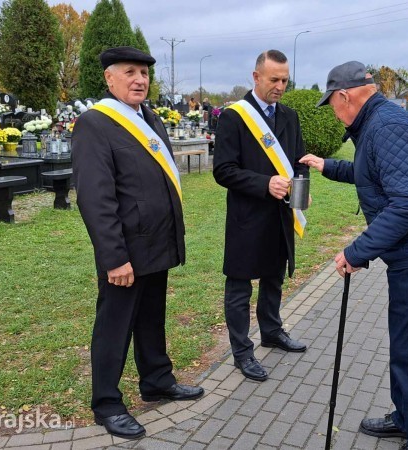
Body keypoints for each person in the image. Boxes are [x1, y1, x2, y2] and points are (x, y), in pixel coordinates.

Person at [300, 61, 408, 450]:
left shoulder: (387, 126)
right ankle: (407, 416)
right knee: (407, 343)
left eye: (332, 105)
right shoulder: (379, 123)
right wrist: (327, 166)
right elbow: (373, 171)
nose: (334, 113)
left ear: (345, 96)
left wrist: (357, 252)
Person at [72, 46, 204, 440]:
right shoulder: (95, 124)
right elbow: (95, 199)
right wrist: (114, 258)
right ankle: (107, 403)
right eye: (129, 72)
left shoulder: (148, 118)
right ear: (109, 79)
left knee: (151, 318)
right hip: (125, 252)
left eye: (144, 73)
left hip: (156, 243)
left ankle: (157, 380)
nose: (139, 79)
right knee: (115, 327)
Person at [213, 49, 309, 382]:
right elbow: (223, 171)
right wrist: (264, 183)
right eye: (274, 80)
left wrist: (300, 194)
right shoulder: (234, 116)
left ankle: (271, 330)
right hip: (247, 216)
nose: (280, 86)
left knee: (273, 278)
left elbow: (296, 162)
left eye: (285, 80)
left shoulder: (290, 117)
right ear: (256, 77)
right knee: (239, 287)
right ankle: (242, 351)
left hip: (279, 216)